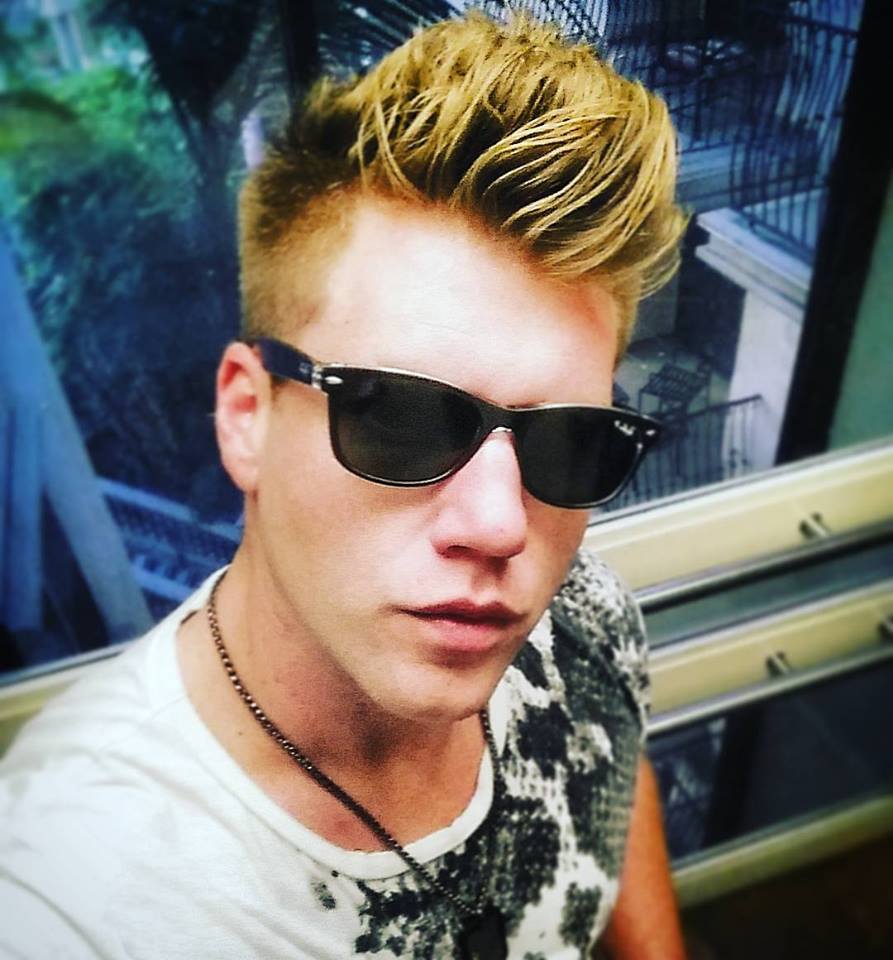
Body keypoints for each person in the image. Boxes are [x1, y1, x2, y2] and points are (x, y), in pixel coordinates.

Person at [0, 12, 688, 959]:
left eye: (572, 442)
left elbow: (609, 764)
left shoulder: (586, 618)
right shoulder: (71, 899)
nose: (499, 526)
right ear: (247, 414)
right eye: (399, 418)